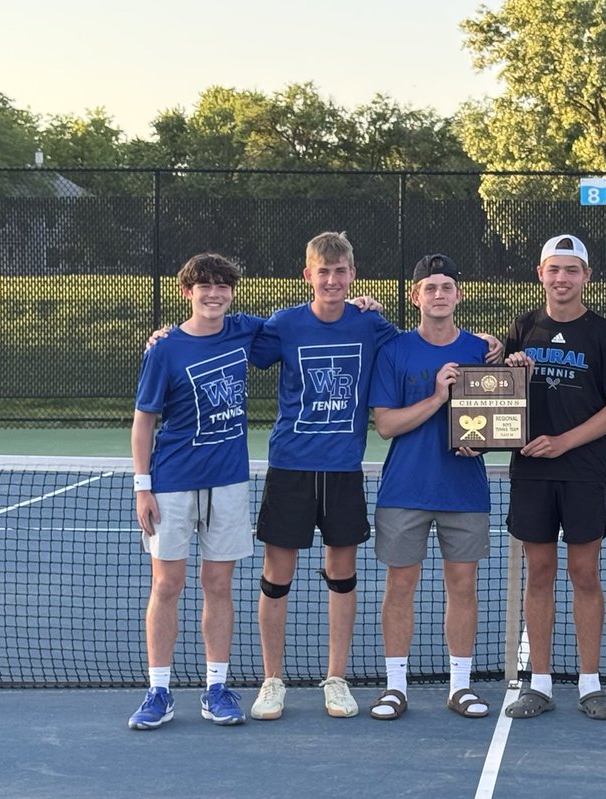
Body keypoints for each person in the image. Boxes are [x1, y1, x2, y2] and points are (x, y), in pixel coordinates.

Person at [246, 232, 399, 721]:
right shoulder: (285, 324)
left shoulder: (370, 324)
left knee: (342, 576)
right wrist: (168, 332)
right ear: (307, 275)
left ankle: (337, 678)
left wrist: (484, 343)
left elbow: (422, 346)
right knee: (277, 578)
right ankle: (273, 681)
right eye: (323, 271)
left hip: (342, 472)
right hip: (290, 468)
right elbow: (228, 333)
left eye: (340, 271)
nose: (332, 280)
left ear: (353, 275)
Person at [128, 252, 260, 729]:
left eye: (222, 285)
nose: (214, 293)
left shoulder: (245, 331)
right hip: (172, 485)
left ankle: (216, 688)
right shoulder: (164, 349)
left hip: (228, 483)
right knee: (167, 585)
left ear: (231, 291)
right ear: (188, 292)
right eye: (203, 285)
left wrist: (364, 303)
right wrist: (143, 487)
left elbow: (305, 323)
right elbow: (143, 425)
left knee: (218, 585)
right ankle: (159, 691)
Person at [502, 234, 606, 720]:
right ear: (541, 275)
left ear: (586, 277)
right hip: (531, 472)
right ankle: (539, 682)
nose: (562, 278)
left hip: (583, 472)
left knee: (585, 574)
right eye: (554, 269)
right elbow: (499, 397)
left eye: (572, 270)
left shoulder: (604, 334)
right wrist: (512, 368)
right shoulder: (523, 327)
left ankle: (590, 682)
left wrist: (563, 442)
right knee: (539, 573)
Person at [365, 254, 492, 720]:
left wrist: (482, 445)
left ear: (458, 295)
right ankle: (395, 688)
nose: (438, 294)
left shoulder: (483, 350)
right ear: (416, 296)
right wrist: (439, 397)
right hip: (404, 490)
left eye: (446, 287)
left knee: (463, 586)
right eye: (429, 287)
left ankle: (460, 687)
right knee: (400, 586)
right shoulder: (395, 351)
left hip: (464, 491)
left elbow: (495, 424)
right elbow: (386, 425)